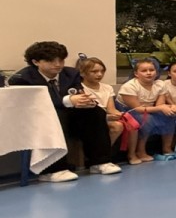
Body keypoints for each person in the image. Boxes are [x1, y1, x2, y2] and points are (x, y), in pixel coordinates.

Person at [8, 41, 120, 179]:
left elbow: (77, 92)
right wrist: (67, 100)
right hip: (36, 120)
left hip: (70, 117)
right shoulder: (22, 78)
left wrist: (85, 101)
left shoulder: (71, 73)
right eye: (51, 61)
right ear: (36, 62)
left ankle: (100, 162)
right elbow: (32, 104)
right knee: (55, 116)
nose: (58, 64)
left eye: (61, 60)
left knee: (96, 112)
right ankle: (52, 170)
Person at [118, 59, 169, 164]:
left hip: (148, 108)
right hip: (127, 110)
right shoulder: (129, 86)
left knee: (169, 115)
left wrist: (170, 107)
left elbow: (160, 104)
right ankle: (131, 154)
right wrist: (161, 108)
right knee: (147, 119)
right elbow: (137, 109)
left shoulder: (160, 84)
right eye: (144, 71)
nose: (149, 73)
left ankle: (163, 148)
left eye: (152, 70)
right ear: (136, 73)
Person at [77, 57, 126, 149]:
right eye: (94, 72)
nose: (99, 74)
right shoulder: (80, 88)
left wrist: (120, 114)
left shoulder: (107, 88)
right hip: (90, 119)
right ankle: (102, 152)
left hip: (105, 117)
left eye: (102, 71)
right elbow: (86, 113)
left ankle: (106, 151)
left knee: (129, 123)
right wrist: (106, 117)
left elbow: (111, 109)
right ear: (82, 73)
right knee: (116, 126)